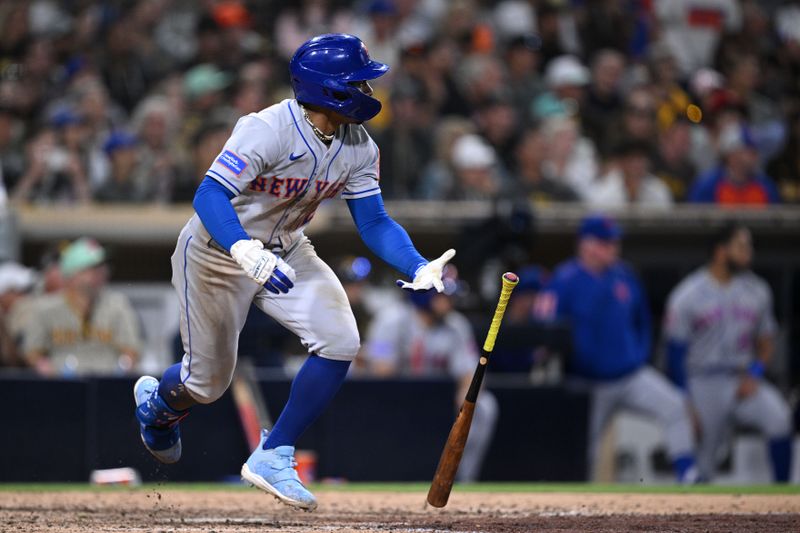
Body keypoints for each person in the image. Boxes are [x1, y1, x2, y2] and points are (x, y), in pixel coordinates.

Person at [133, 34, 455, 511]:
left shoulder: (358, 145)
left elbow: (374, 221)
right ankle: (159, 406)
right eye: (358, 83)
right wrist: (243, 247)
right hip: (216, 250)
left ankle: (273, 452)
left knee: (341, 339)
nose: (368, 93)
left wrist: (417, 264)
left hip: (287, 249)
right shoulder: (266, 128)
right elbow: (209, 195)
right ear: (330, 90)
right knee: (206, 385)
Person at [535, 215, 698, 483]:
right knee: (582, 450)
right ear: (586, 245)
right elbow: (544, 328)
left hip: (629, 376)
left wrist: (638, 354)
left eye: (614, 242)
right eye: (606, 242)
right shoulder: (564, 280)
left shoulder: (624, 275)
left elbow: (643, 321)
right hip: (587, 384)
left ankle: (688, 474)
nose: (614, 247)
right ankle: (572, 503)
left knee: (675, 406)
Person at [664, 224, 793, 482]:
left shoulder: (757, 290)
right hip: (702, 381)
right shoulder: (687, 294)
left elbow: (767, 342)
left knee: (780, 419)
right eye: (742, 246)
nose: (749, 252)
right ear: (721, 252)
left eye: (749, 246)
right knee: (703, 465)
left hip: (742, 378)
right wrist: (685, 402)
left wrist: (755, 373)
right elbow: (674, 355)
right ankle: (697, 519)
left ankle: (783, 494)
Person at [364, 282, 498, 482]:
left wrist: (465, 396)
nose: (449, 302)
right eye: (443, 296)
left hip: (439, 402)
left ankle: (462, 480)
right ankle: (373, 476)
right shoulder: (391, 319)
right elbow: (381, 369)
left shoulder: (456, 325)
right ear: (423, 295)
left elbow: (471, 372)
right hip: (396, 398)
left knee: (485, 405)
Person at [22, 238, 141, 376]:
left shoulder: (117, 305)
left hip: (106, 383)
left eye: (102, 267)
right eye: (92, 268)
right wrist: (45, 368)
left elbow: (132, 351)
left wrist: (123, 368)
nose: (101, 272)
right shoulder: (46, 307)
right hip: (60, 385)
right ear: (73, 273)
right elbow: (32, 352)